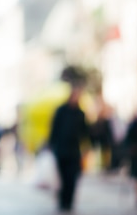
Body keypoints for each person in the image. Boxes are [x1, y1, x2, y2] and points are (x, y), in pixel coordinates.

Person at [48, 67, 90, 213]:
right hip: (61, 150)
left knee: (72, 178)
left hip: (74, 151)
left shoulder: (81, 113)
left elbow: (85, 133)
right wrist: (51, 145)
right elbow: (54, 129)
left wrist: (87, 148)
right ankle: (62, 202)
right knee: (63, 178)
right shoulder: (61, 111)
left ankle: (69, 202)